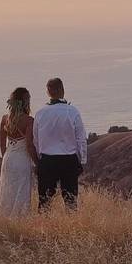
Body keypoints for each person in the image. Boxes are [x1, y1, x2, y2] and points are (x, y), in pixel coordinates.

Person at [33, 77, 87, 210]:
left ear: (48, 92)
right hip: (68, 160)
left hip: (47, 160)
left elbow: (36, 140)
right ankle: (71, 227)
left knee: (44, 201)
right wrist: (81, 160)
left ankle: (43, 228)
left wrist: (39, 159)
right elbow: (81, 139)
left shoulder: (40, 113)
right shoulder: (73, 111)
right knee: (71, 200)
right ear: (62, 90)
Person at [0, 87, 38, 216]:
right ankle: (19, 220)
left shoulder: (5, 119)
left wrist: (6, 158)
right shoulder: (29, 121)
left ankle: (4, 220)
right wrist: (37, 162)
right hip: (22, 161)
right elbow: (29, 145)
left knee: (7, 192)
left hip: (8, 159)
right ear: (25, 102)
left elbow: (2, 145)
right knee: (21, 192)